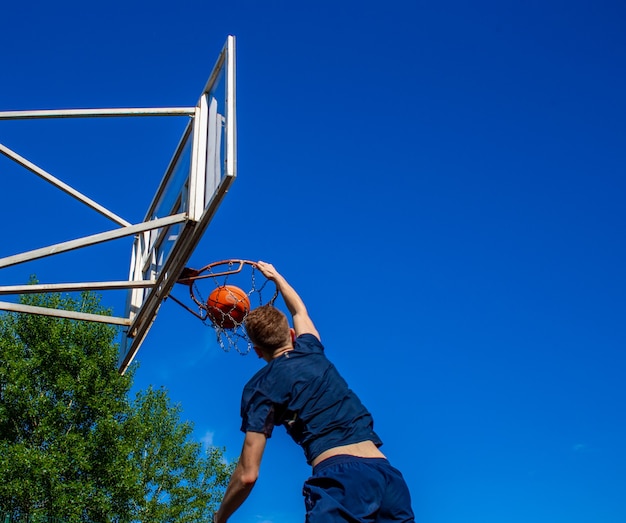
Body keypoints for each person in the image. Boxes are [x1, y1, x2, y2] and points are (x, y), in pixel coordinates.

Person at [213, 261, 415, 523]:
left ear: (258, 352)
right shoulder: (311, 348)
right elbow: (299, 309)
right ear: (292, 335)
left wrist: (219, 518)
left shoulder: (260, 388)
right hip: (388, 477)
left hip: (341, 480)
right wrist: (276, 276)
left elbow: (247, 475)